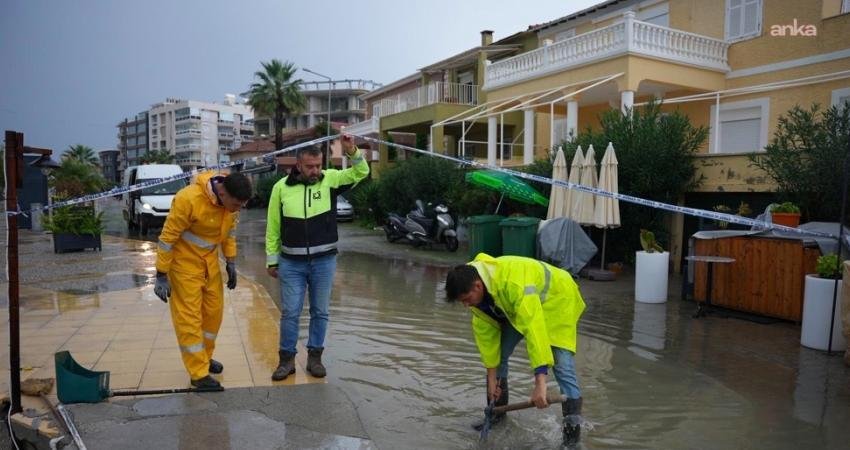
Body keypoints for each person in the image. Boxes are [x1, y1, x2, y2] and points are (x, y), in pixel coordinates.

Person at [445, 253, 586, 447]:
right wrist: (492, 379)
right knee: (500, 354)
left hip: (557, 299)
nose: (466, 305)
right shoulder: (474, 293)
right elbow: (488, 343)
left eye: (467, 299)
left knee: (562, 366)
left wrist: (540, 382)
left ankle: (571, 441)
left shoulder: (513, 284)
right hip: (518, 307)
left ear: (478, 286)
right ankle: (497, 414)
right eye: (462, 302)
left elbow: (534, 328)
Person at [265, 135, 369, 381]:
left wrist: (351, 150)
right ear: (299, 165)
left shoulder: (331, 180)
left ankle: (315, 358)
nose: (315, 171)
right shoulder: (281, 187)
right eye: (310, 166)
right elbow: (273, 226)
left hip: (324, 262)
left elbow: (361, 172)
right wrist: (272, 260)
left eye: (318, 165)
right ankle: (286, 360)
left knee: (320, 312)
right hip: (291, 263)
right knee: (290, 312)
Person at [153, 171, 252, 391]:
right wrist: (161, 273)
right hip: (183, 266)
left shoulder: (230, 205)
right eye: (236, 204)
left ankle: (204, 358)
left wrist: (231, 261)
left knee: (213, 315)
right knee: (189, 320)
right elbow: (167, 238)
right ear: (223, 193)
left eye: (242, 206)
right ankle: (198, 374)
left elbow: (230, 233)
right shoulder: (188, 199)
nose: (238, 209)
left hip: (209, 264)